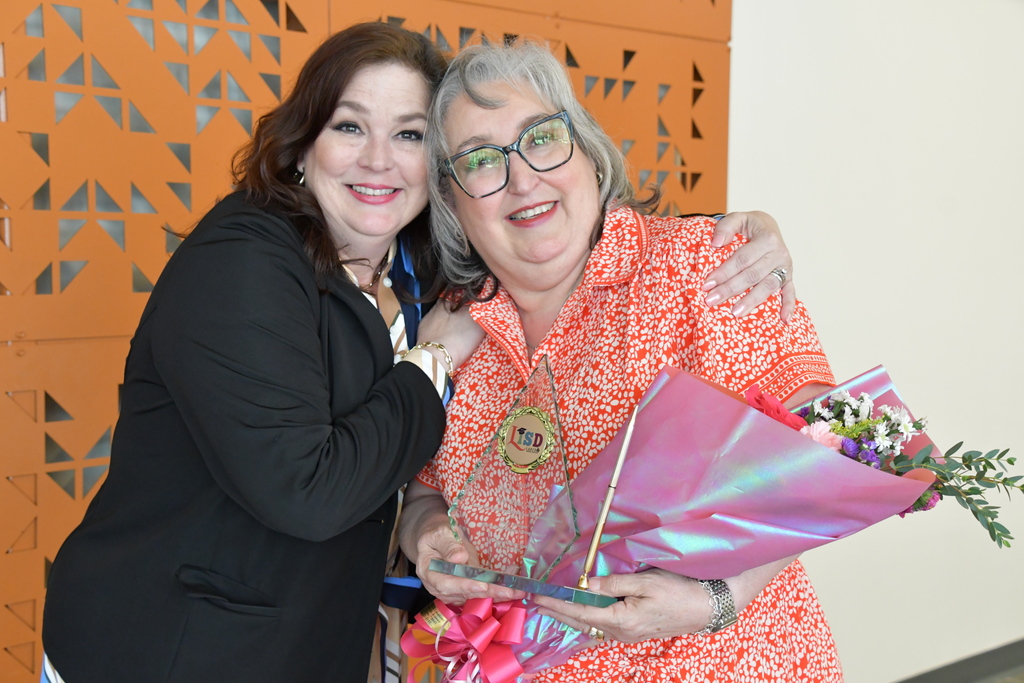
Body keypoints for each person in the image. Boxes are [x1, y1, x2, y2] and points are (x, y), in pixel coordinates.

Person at [40, 21, 800, 683]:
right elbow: (324, 491)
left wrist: (729, 231)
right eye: (348, 126)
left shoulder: (423, 271)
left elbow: (555, 226)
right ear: (303, 140)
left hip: (303, 649)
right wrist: (428, 390)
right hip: (176, 650)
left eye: (407, 133)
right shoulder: (251, 265)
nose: (379, 160)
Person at [399, 40, 843, 682]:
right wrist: (426, 534)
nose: (523, 179)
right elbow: (424, 490)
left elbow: (830, 452)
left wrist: (717, 600)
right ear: (452, 200)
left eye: (542, 138)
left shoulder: (702, 266)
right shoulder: (450, 329)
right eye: (481, 161)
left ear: (586, 149)